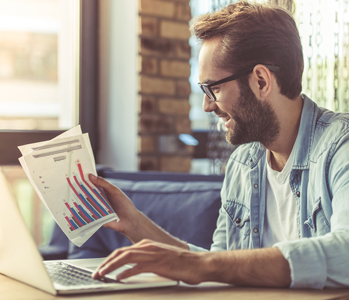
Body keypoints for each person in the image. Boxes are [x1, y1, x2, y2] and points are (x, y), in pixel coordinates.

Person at [91, 1, 349, 289]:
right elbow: (219, 267)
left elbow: (345, 252)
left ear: (261, 81)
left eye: (213, 88)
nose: (206, 106)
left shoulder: (341, 146)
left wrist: (203, 266)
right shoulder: (242, 164)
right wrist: (135, 224)